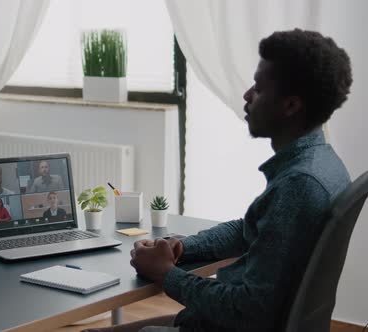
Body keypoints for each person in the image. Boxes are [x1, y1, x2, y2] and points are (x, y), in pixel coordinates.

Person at [94, 29, 353, 332]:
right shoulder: (322, 164)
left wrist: (166, 274)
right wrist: (181, 246)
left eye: (259, 88)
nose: (246, 95)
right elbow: (249, 229)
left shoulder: (299, 185)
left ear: (291, 105)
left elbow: (246, 312)